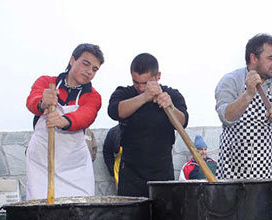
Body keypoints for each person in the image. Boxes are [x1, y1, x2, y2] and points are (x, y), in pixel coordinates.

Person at [215, 33, 272, 215]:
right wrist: (248, 94)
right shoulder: (231, 81)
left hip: (266, 171)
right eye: (271, 58)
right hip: (232, 170)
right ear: (253, 58)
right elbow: (226, 116)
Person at [25, 43, 103, 200]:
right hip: (42, 164)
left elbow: (87, 115)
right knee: (41, 210)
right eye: (86, 64)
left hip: (75, 166)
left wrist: (64, 121)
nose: (89, 71)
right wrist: (42, 102)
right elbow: (32, 100)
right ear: (72, 60)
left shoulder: (93, 96)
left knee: (80, 210)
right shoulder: (47, 82)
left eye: (94, 69)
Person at [108, 53, 188, 197]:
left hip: (161, 171)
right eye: (136, 82)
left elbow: (182, 122)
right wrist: (144, 97)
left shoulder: (172, 95)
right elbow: (115, 111)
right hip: (131, 172)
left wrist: (170, 107)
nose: (140, 87)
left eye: (145, 83)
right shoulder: (124, 93)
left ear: (158, 75)